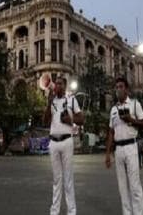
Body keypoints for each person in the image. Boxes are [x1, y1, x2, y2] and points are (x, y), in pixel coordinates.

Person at [105, 77, 143, 215]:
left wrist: (131, 120)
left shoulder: (135, 104)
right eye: (116, 87)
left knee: (134, 185)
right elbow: (111, 132)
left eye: (121, 86)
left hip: (131, 147)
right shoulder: (113, 109)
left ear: (127, 89)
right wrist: (107, 153)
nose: (118, 89)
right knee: (122, 187)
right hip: (118, 150)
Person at [44, 76, 84, 215]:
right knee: (57, 179)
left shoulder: (71, 100)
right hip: (53, 142)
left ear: (65, 86)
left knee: (68, 179)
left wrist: (70, 119)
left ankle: (71, 211)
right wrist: (48, 103)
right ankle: (54, 211)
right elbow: (45, 120)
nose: (57, 86)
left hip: (67, 141)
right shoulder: (52, 101)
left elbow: (81, 119)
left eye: (60, 84)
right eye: (56, 84)